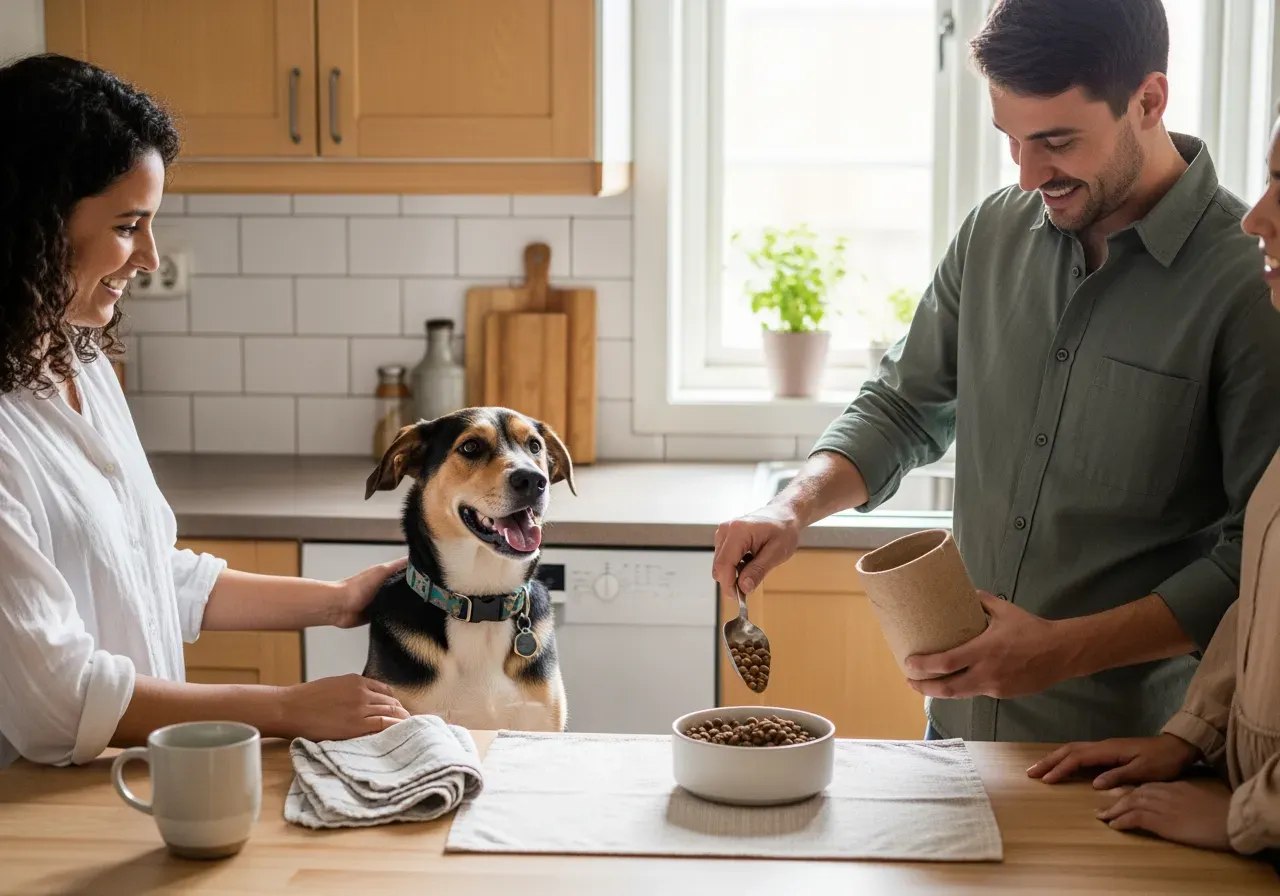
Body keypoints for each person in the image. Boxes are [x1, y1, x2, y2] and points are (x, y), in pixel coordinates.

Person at [713, 0, 1280, 744]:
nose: (1026, 173)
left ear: (1148, 100)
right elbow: (904, 407)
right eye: (1010, 140)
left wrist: (1060, 653)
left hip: (1123, 761)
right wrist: (794, 506)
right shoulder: (993, 232)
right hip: (953, 740)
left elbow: (1258, 560)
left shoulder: (1249, 284)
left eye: (1055, 141)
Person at [0, 53, 409, 770]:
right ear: (32, 222)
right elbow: (55, 698)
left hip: (122, 788)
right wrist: (286, 708)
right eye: (129, 225)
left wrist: (337, 600)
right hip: (28, 819)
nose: (151, 257)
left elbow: (144, 571)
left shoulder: (78, 360)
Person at [1024, 118, 1280, 859]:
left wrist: (1244, 819)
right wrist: (1190, 736)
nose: (1258, 217)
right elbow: (1259, 602)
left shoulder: (1231, 291)